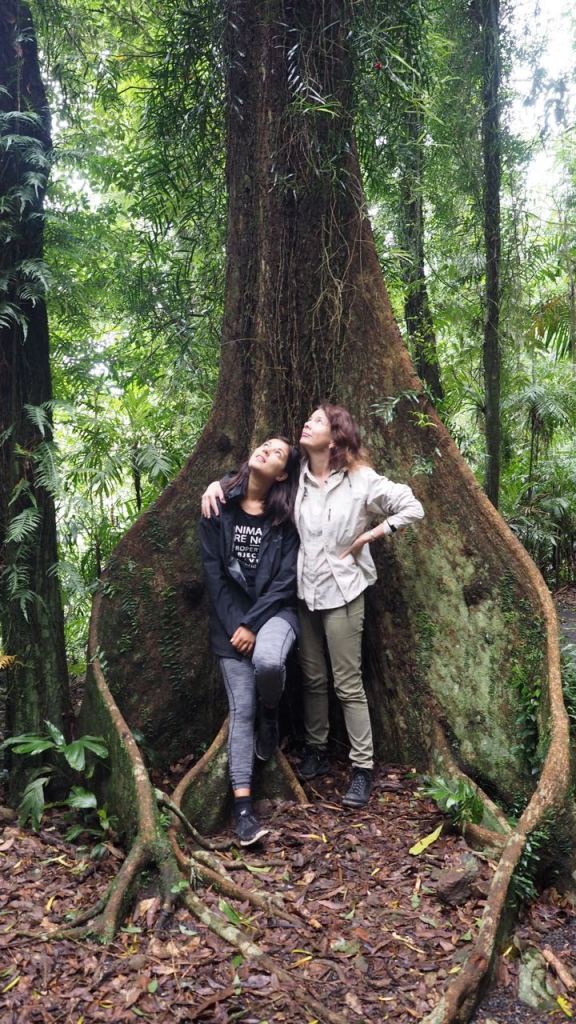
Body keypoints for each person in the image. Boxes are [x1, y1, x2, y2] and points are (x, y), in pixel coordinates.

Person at [201, 405, 424, 810]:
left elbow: (412, 506)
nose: (308, 423)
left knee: (347, 682)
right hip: (304, 593)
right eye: (310, 418)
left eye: (318, 421)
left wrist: (370, 535)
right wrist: (216, 485)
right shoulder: (298, 477)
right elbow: (254, 478)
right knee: (314, 678)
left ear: (335, 437)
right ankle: (316, 750)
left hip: (344, 591)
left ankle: (362, 767)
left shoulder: (360, 479)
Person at [199, 437, 300, 846]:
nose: (266, 450)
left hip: (274, 613)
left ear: (282, 474)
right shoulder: (217, 506)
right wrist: (236, 626)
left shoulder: (286, 518)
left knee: (269, 664)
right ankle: (243, 810)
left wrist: (253, 625)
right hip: (230, 622)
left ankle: (271, 711)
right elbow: (213, 574)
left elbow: (286, 580)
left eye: (277, 453)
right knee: (241, 709)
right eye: (265, 445)